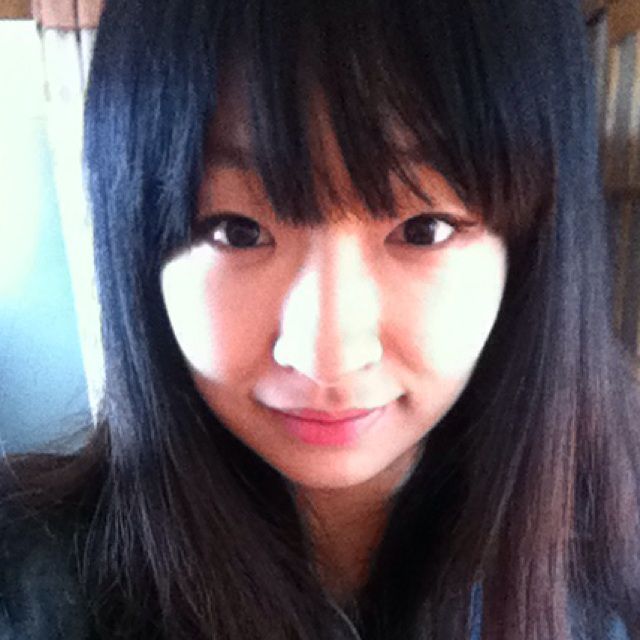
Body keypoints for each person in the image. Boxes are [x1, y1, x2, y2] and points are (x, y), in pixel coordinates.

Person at [1, 0, 639, 638]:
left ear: (529, 251)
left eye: (424, 228)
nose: (327, 353)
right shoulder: (30, 583)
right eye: (236, 230)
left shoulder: (615, 574)